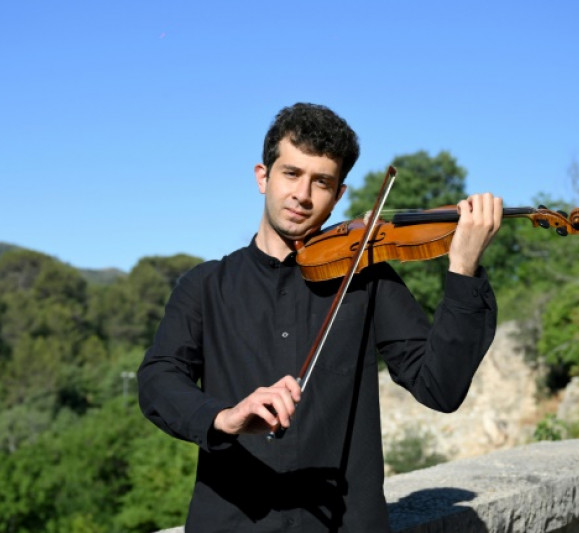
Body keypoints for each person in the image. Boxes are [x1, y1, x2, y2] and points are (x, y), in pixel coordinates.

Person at [137, 102, 501, 532]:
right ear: (263, 177)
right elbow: (159, 379)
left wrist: (463, 270)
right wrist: (223, 417)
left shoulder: (366, 277)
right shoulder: (205, 285)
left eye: (321, 182)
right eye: (291, 173)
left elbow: (439, 387)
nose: (303, 195)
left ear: (338, 195)